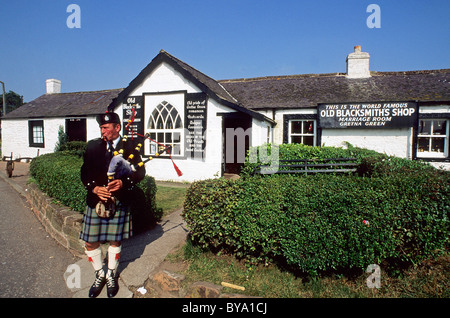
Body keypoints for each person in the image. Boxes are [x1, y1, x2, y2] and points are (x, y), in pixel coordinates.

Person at [80, 112, 145, 298]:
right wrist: (94, 189)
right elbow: (84, 174)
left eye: (106, 128)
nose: (102, 131)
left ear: (117, 128)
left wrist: (124, 183)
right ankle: (100, 273)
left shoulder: (130, 147)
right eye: (101, 128)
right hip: (96, 202)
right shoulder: (92, 146)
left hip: (120, 201)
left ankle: (111, 275)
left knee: (115, 241)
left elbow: (141, 172)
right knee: (90, 242)